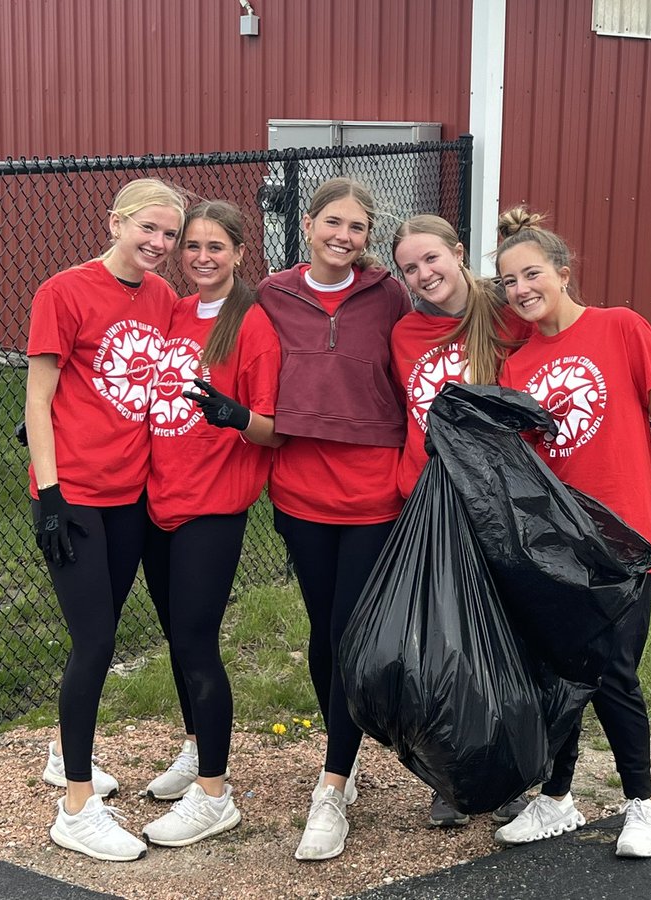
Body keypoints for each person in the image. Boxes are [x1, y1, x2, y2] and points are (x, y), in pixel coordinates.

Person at [492, 207, 651, 859]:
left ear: (563, 272)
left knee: (614, 672)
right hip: (556, 548)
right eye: (509, 281)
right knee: (557, 673)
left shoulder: (621, 328)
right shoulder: (518, 364)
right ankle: (557, 798)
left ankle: (645, 804)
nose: (522, 288)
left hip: (622, 543)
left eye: (532, 273)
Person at [26, 177, 187, 862]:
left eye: (169, 235)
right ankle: (77, 809)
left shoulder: (163, 298)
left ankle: (64, 753)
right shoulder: (62, 291)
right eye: (146, 228)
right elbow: (38, 398)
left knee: (108, 625)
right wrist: (52, 493)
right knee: (93, 639)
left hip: (132, 495)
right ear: (116, 222)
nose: (158, 243)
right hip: (75, 495)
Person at [255, 177, 410, 861]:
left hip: (374, 493)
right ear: (310, 224)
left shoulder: (388, 295)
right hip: (300, 491)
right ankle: (339, 753)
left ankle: (332, 783)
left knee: (352, 633)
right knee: (324, 631)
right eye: (334, 224)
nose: (345, 238)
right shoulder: (273, 295)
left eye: (358, 229)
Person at [138, 200, 283, 847]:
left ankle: (215, 794)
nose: (200, 257)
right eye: (191, 246)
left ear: (239, 253)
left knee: (197, 644)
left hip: (212, 507)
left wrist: (237, 418)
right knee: (176, 639)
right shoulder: (171, 309)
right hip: (157, 498)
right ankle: (197, 746)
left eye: (214, 247)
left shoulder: (251, 324)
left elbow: (277, 431)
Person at [389, 214, 531, 827]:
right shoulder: (404, 333)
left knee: (506, 642)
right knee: (445, 646)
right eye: (410, 269)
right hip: (427, 502)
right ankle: (454, 775)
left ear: (456, 252)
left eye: (431, 260)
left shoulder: (504, 318)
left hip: (497, 504)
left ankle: (513, 775)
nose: (424, 276)